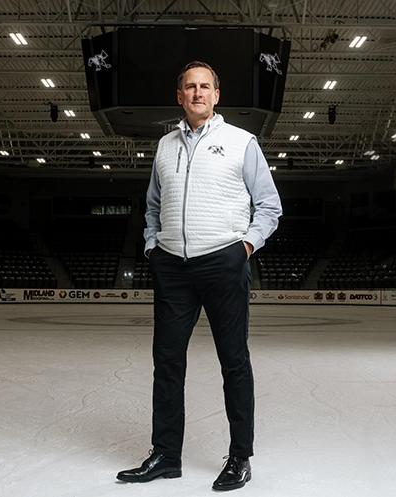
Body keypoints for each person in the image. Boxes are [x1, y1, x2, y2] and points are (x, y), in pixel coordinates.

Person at [116, 61, 282, 491]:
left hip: (222, 262)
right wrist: (153, 245)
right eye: (189, 87)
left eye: (204, 86)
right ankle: (166, 456)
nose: (197, 93)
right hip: (171, 265)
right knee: (167, 363)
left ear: (216, 95)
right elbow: (152, 206)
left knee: (234, 362)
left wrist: (244, 247)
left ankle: (240, 458)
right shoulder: (164, 146)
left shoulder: (242, 142)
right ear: (179, 96)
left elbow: (269, 206)